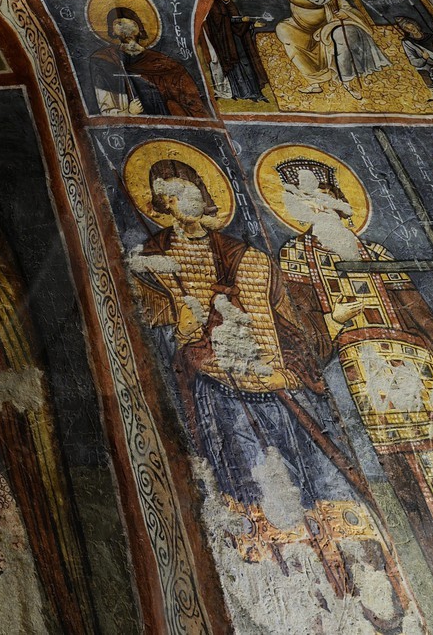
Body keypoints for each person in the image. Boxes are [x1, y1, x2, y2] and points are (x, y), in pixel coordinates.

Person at [124, 152, 394, 608]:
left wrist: (290, 361)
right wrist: (191, 324)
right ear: (160, 203)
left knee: (317, 477)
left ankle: (364, 582)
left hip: (274, 383)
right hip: (219, 391)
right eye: (170, 193)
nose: (181, 198)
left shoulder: (245, 255)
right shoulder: (152, 259)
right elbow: (166, 331)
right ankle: (290, 591)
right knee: (252, 478)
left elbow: (284, 324)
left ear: (204, 196)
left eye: (188, 188)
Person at [268, 153, 433, 633]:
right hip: (362, 380)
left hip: (418, 377)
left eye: (320, 192)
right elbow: (295, 325)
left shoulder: (377, 253)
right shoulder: (296, 257)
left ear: (337, 198)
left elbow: (416, 312)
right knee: (400, 477)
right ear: (292, 206)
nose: (313, 203)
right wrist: (334, 319)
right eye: (301, 195)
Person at [86, 6, 207, 117]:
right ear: (112, 31)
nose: (125, 26)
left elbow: (191, 100)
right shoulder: (104, 60)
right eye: (118, 23)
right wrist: (128, 112)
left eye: (131, 22)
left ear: (140, 28)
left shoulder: (166, 63)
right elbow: (105, 108)